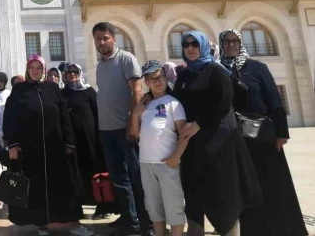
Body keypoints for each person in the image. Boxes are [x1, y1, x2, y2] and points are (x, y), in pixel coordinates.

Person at [219, 29, 307, 236]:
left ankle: (286, 229)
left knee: (275, 185)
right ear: (221, 45)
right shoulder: (220, 70)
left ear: (241, 44)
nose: (231, 45)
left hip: (264, 139)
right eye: (227, 42)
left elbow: (274, 100)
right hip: (238, 141)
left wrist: (281, 134)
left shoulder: (257, 68)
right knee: (248, 187)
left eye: (235, 41)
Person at [173, 31, 261, 236]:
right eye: (186, 45)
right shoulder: (185, 74)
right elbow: (176, 100)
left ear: (203, 46)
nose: (190, 48)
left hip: (219, 142)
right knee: (194, 191)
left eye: (195, 44)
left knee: (223, 192)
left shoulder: (216, 71)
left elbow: (223, 102)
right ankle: (195, 231)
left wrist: (198, 124)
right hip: (193, 145)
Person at [4, 56, 91, 236]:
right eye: (32, 67)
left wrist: (68, 141)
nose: (35, 70)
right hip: (30, 149)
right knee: (35, 188)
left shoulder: (52, 89)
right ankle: (41, 223)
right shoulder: (19, 90)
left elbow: (64, 116)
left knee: (63, 185)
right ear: (28, 69)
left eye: (39, 67)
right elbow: (10, 119)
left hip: (55, 147)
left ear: (44, 69)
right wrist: (12, 144)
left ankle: (70, 222)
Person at [93, 22, 151, 236]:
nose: (101, 42)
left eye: (105, 38)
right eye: (98, 38)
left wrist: (132, 123)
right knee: (118, 178)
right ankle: (128, 218)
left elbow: (136, 91)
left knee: (135, 176)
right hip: (107, 131)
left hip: (125, 129)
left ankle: (144, 222)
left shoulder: (126, 58)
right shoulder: (100, 65)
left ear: (113, 39)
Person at [130, 61, 188, 236]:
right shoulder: (145, 104)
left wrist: (175, 157)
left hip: (167, 164)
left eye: (160, 77)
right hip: (147, 163)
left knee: (174, 206)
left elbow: (183, 133)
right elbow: (135, 133)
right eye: (152, 79)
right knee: (154, 208)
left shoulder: (173, 103)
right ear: (146, 82)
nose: (157, 82)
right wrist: (136, 113)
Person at [62, 63, 112, 220]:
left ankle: (102, 207)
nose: (72, 75)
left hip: (90, 140)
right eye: (69, 72)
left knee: (95, 173)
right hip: (73, 142)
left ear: (80, 73)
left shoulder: (89, 92)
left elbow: (98, 114)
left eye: (75, 72)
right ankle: (77, 209)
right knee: (76, 174)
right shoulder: (63, 93)